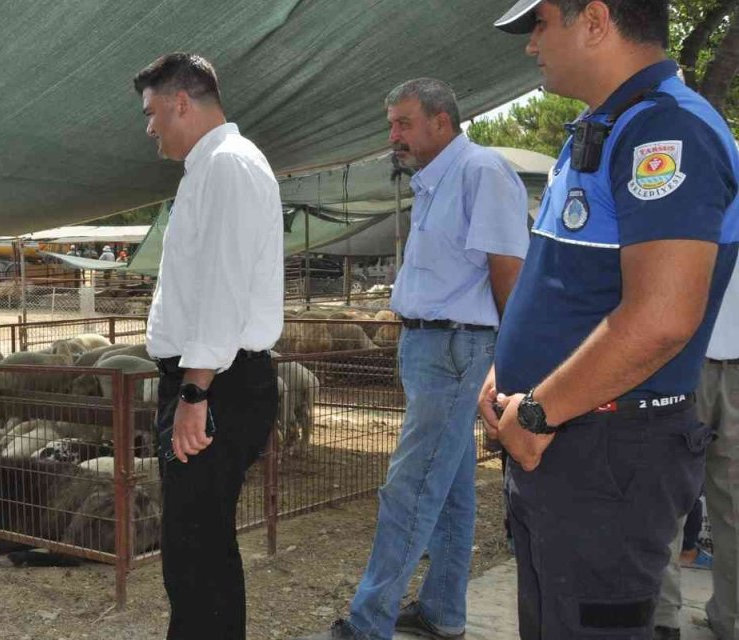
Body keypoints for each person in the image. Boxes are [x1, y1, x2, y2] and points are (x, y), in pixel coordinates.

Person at [485, 1, 739, 637]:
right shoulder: (607, 125)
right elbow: (563, 282)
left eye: (541, 23)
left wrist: (537, 411)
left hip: (604, 445)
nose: (531, 45)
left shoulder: (669, 131)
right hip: (569, 435)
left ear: (595, 20)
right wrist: (507, 374)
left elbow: (662, 316)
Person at [296, 79, 529, 640]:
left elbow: (510, 272)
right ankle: (443, 612)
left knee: (410, 486)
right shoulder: (432, 181)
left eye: (403, 123)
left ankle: (367, 623)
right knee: (448, 486)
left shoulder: (480, 172)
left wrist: (508, 357)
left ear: (441, 122)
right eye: (391, 124)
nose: (392, 136)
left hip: (456, 348)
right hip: (429, 346)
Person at [134, 52, 283, 640]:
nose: (150, 127)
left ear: (181, 103)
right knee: (197, 543)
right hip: (211, 379)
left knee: (196, 549)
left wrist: (194, 393)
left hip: (216, 383)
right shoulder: (211, 167)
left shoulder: (227, 165)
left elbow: (223, 288)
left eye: (152, 113)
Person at [657, 254, 739, 640]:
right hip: (690, 361)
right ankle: (728, 619)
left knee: (665, 501)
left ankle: (662, 619)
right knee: (730, 508)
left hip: (683, 362)